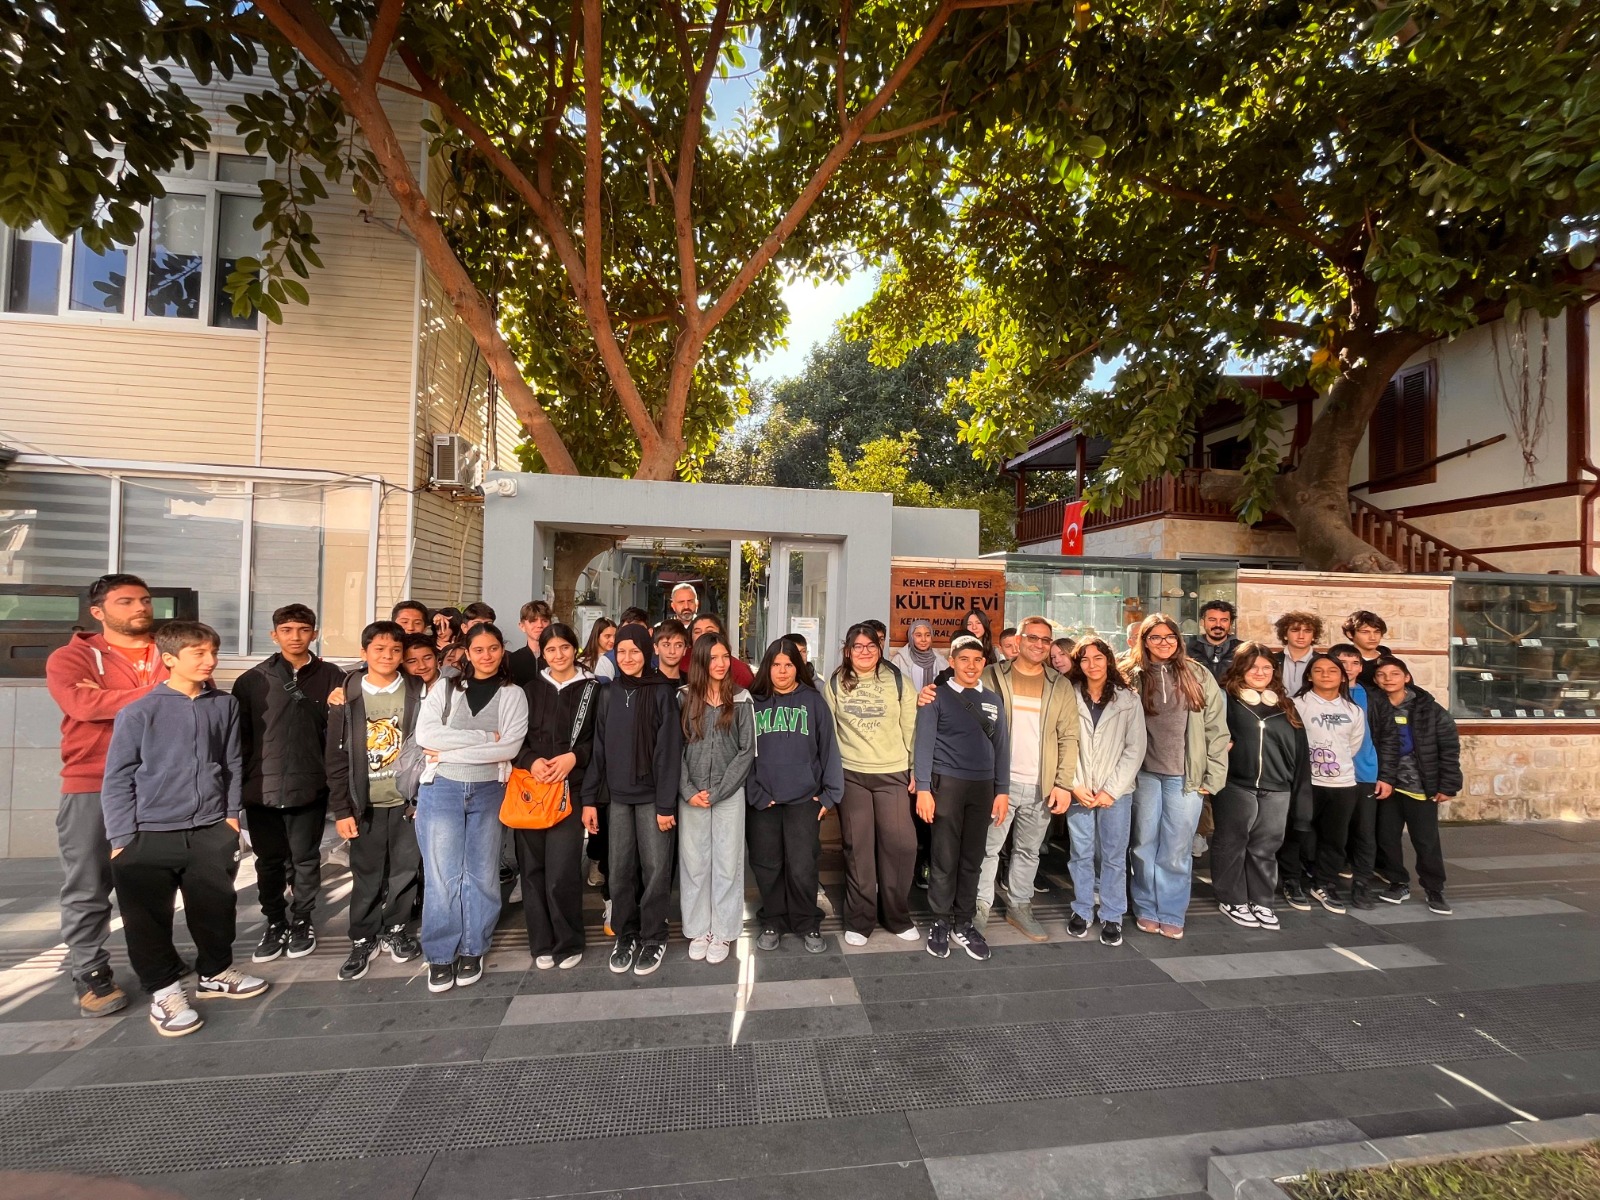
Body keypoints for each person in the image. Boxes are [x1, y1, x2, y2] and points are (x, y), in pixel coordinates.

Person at [102, 621, 267, 1037]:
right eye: (199, 653)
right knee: (147, 919)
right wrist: (122, 839)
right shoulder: (139, 711)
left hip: (210, 829)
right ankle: (164, 991)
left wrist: (230, 818)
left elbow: (232, 763)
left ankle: (215, 972)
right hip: (148, 833)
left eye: (213, 652)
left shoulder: (223, 705)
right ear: (169, 659)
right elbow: (118, 777)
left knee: (216, 907)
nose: (210, 661)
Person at [44, 572, 167, 1017]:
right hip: (91, 783)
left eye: (145, 600)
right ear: (98, 612)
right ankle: (90, 971)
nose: (140, 608)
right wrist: (160, 692)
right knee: (89, 884)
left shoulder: (168, 648)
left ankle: (157, 962)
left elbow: (194, 697)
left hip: (159, 784)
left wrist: (114, 698)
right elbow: (82, 705)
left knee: (154, 882)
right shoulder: (71, 657)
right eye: (126, 602)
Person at [414, 622, 528, 993]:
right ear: (467, 652)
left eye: (493, 648)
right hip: (442, 789)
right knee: (442, 875)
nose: (486, 655)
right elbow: (426, 735)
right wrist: (483, 738)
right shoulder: (445, 688)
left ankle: (473, 948)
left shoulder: (513, 694)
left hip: (489, 789)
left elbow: (509, 747)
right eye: (478, 649)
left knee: (482, 874)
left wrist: (450, 750)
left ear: (502, 650)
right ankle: (440, 953)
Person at [233, 603, 344, 964]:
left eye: (303, 630)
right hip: (261, 788)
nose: (295, 637)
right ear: (274, 635)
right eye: (287, 630)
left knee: (306, 859)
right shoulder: (252, 680)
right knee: (268, 862)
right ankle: (275, 921)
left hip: (309, 784)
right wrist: (238, 788)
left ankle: (302, 920)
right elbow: (240, 739)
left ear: (315, 633)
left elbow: (339, 733)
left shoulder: (333, 676)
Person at [582, 624, 684, 976]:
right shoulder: (608, 693)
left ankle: (654, 935)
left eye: (634, 651)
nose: (627, 658)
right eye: (621, 652)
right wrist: (589, 799)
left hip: (653, 798)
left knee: (655, 870)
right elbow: (599, 749)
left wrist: (666, 805)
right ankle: (626, 933)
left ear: (647, 653)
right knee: (620, 869)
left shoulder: (662, 693)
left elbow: (669, 753)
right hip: (618, 798)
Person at [326, 621, 424, 981]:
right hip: (364, 803)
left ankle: (396, 928)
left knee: (404, 870)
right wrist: (342, 809)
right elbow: (336, 759)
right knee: (367, 873)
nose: (387, 656)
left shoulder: (416, 691)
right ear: (364, 653)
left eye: (395, 650)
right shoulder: (347, 697)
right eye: (379, 649)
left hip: (407, 802)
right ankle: (363, 936)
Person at [972, 616, 1079, 941]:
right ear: (1018, 641)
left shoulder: (1059, 685)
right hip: (998, 783)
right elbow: (970, 720)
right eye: (1033, 638)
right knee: (987, 849)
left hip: (1040, 784)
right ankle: (979, 907)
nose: (1039, 645)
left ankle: (1019, 905)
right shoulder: (992, 675)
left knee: (1028, 851)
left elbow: (1069, 736)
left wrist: (1062, 783)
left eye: (1046, 640)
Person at [1124, 613, 1228, 939]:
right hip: (1144, 774)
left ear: (1178, 640)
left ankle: (1170, 910)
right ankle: (1145, 906)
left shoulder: (1197, 674)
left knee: (1177, 848)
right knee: (1143, 845)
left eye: (1169, 636)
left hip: (1185, 776)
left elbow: (1216, 729)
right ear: (1144, 641)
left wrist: (1214, 775)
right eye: (1155, 637)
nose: (1163, 642)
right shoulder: (1131, 675)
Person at [914, 635, 1010, 962]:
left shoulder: (993, 700)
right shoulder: (936, 696)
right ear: (952, 662)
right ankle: (940, 921)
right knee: (944, 857)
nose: (971, 666)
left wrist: (1002, 790)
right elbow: (924, 744)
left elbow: (1002, 747)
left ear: (984, 663)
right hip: (947, 785)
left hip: (982, 787)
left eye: (977, 660)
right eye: (964, 659)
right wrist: (923, 789)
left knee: (972, 858)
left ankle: (964, 922)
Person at [825, 624, 920, 946]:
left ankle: (896, 916)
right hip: (851, 774)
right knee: (858, 849)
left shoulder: (898, 681)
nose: (864, 652)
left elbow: (913, 729)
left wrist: (916, 771)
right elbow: (829, 733)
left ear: (879, 649)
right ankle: (860, 919)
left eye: (871, 646)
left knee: (901, 846)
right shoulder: (836, 683)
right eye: (858, 646)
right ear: (847, 651)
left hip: (893, 773)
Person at [746, 637, 842, 954]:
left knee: (802, 865)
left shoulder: (813, 702)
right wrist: (754, 791)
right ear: (767, 666)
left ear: (798, 667)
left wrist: (830, 795)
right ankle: (773, 919)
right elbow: (742, 752)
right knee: (767, 864)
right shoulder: (753, 702)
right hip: (763, 799)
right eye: (776, 664)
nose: (783, 671)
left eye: (789, 665)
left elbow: (829, 749)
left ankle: (805, 921)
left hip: (804, 798)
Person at [514, 622, 599, 970]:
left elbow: (600, 740)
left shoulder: (593, 689)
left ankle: (568, 940)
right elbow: (515, 739)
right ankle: (541, 942)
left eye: (565, 647)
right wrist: (531, 761)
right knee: (532, 869)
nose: (559, 654)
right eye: (551, 649)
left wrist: (574, 758)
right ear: (543, 652)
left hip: (571, 789)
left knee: (562, 870)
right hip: (531, 790)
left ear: (574, 649)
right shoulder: (529, 690)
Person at [1211, 644, 1311, 930]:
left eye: (1267, 667)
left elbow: (1300, 752)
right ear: (1240, 668)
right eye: (1253, 667)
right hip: (1236, 784)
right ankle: (1232, 899)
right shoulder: (1226, 700)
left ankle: (1262, 900)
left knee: (1266, 847)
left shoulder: (1284, 705)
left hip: (1277, 787)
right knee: (1231, 844)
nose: (1260, 672)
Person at [678, 632, 756, 963]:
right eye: (713, 658)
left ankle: (723, 931)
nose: (721, 663)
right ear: (701, 661)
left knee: (727, 862)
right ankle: (698, 929)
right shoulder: (683, 697)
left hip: (728, 794)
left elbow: (747, 750)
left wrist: (721, 790)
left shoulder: (741, 699)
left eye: (725, 656)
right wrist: (688, 791)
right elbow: (674, 750)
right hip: (692, 795)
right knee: (694, 864)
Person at [1063, 637, 1145, 946]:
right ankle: (1082, 909)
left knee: (1113, 855)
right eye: (1085, 659)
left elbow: (1135, 748)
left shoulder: (1128, 699)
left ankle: (1112, 914)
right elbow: (1061, 741)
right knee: (1081, 853)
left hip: (1116, 793)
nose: (1092, 664)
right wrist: (1073, 784)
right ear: (1078, 664)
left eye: (1098, 658)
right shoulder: (1068, 695)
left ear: (1108, 661)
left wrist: (1111, 790)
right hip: (1080, 790)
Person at [1369, 656, 1460, 915]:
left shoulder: (1428, 709)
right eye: (1381, 675)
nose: (1388, 679)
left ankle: (1434, 889)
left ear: (1407, 677)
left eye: (1394, 674)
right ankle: (1398, 882)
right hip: (1386, 786)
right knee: (1386, 838)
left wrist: (1448, 784)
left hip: (1420, 786)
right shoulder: (1373, 707)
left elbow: (1449, 747)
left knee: (1426, 840)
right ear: (1375, 680)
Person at [1290, 653, 1367, 915]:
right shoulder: (1296, 705)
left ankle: (1324, 883)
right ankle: (1292, 881)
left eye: (1332, 671)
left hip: (1342, 784)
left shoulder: (1353, 710)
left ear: (1342, 677)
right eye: (1319, 670)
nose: (1326, 675)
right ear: (1309, 676)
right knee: (1297, 835)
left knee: (1334, 839)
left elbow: (1353, 745)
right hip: (1306, 782)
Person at [1329, 642, 1393, 911]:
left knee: (1365, 835)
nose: (1349, 668)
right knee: (1331, 833)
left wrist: (1386, 775)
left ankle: (1362, 886)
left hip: (1365, 774)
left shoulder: (1374, 697)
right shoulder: (1318, 696)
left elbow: (1388, 737)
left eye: (1355, 663)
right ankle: (1326, 884)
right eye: (1343, 663)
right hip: (1330, 776)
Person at [691, 613, 756, 688]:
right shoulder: (683, 661)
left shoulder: (740, 671)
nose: (703, 636)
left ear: (721, 635)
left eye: (709, 631)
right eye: (697, 632)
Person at [1187, 599, 1240, 684]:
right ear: (1202, 622)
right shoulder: (1188, 650)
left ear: (1230, 623)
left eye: (1224, 620)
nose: (1218, 625)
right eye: (1212, 620)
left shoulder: (1243, 650)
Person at [1272, 611, 1322, 698]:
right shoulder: (1272, 660)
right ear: (1285, 635)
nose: (1301, 636)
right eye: (1295, 630)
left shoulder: (1323, 661)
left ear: (1313, 636)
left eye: (1307, 631)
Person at [892, 619, 948, 690]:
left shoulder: (940, 659)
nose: (923, 639)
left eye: (927, 635)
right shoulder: (899, 660)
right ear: (911, 637)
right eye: (918, 635)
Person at [1344, 611, 1394, 688]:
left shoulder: (1391, 661)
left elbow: (1408, 690)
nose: (1372, 637)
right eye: (1365, 632)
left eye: (1377, 632)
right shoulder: (1338, 660)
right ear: (1350, 634)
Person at [508, 600, 553, 686]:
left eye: (544, 621)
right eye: (533, 621)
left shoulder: (558, 658)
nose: (539, 625)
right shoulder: (511, 661)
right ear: (522, 626)